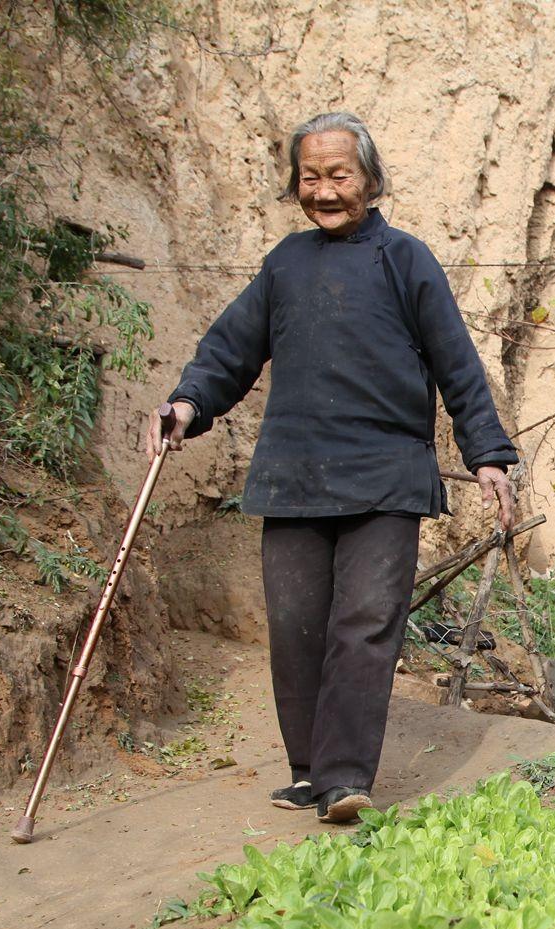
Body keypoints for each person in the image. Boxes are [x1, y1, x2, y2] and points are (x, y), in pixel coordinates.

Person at [146, 111, 518, 824]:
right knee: (296, 626)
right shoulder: (285, 263)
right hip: (294, 476)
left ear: (371, 181)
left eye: (338, 175)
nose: (324, 191)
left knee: (365, 622)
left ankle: (346, 777)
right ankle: (308, 769)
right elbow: (231, 348)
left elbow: (457, 364)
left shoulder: (406, 260)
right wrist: (187, 405)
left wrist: (489, 457)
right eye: (310, 177)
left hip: (385, 476)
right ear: (296, 185)